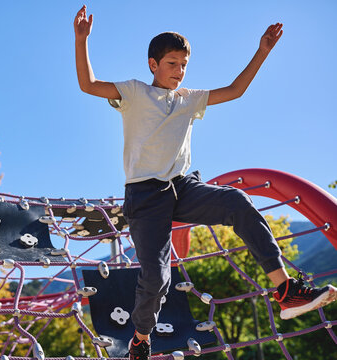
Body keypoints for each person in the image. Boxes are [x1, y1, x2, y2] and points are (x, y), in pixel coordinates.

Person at [74, 5, 336, 360]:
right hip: (145, 195)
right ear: (153, 64)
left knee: (237, 202)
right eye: (172, 63)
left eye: (183, 65)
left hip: (182, 187)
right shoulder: (134, 92)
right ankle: (140, 336)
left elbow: (235, 90)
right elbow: (88, 84)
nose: (179, 71)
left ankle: (285, 288)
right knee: (158, 280)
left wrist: (262, 51)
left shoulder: (189, 99)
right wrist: (81, 40)